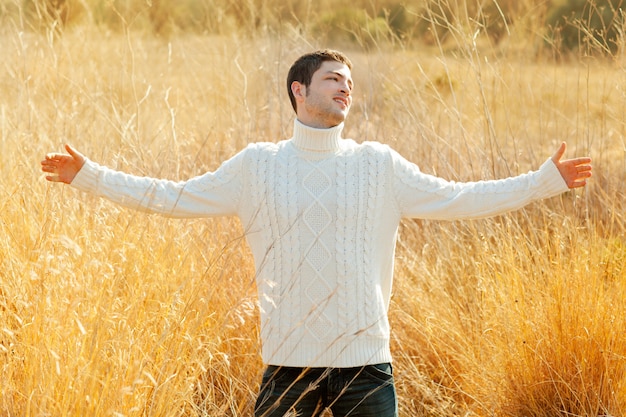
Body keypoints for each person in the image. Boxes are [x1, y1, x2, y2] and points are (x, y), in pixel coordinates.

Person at [41, 49, 592, 417]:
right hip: (288, 360)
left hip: (366, 362)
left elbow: (460, 198)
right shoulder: (257, 165)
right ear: (298, 90)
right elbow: (172, 196)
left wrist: (543, 183)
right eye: (333, 78)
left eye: (350, 82)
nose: (345, 88)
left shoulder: (378, 163)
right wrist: (90, 177)